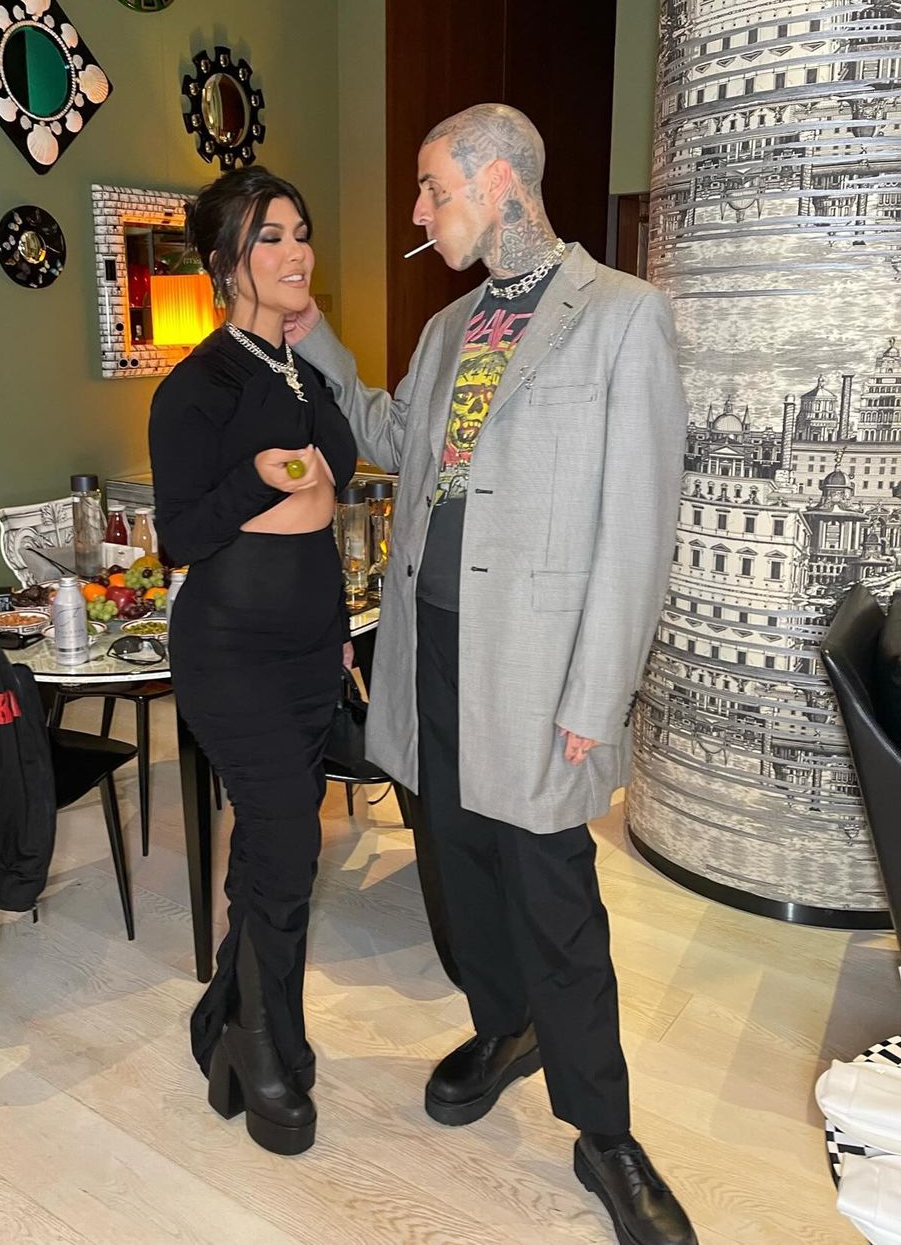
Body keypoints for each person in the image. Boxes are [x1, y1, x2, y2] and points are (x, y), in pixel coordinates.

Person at [286, 104, 696, 1243]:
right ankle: (503, 1022)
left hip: (536, 667)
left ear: (499, 182)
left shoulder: (621, 317)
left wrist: (596, 694)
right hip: (429, 649)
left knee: (554, 894)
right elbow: (390, 438)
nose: (419, 209)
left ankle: (604, 1132)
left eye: (433, 187)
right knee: (457, 870)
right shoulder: (448, 325)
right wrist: (320, 342)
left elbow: (637, 529)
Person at [149, 167, 357, 1157]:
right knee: (286, 843)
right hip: (232, 650)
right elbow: (181, 533)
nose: (296, 250)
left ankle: (235, 1020)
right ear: (227, 260)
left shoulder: (298, 371)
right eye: (270, 236)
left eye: (300, 231)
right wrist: (258, 477)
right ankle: (259, 1038)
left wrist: (338, 625)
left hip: (311, 646)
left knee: (276, 848)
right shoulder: (197, 386)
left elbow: (341, 474)